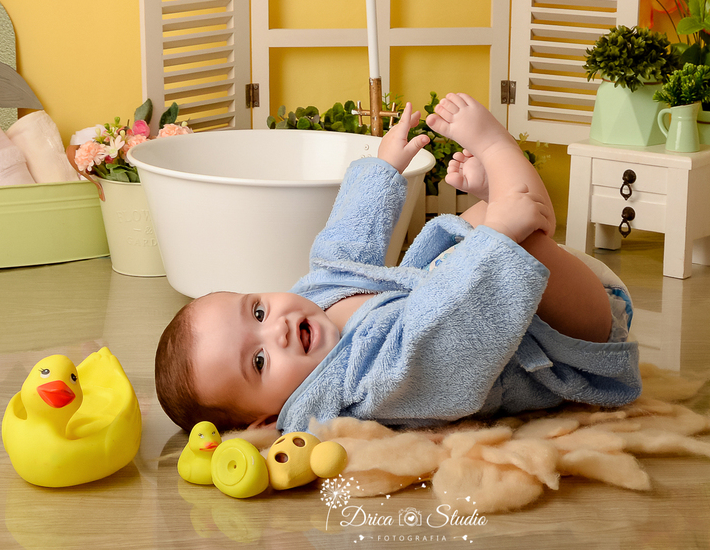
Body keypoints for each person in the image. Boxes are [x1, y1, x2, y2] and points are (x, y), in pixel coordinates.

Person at [155, 93, 640, 434]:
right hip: (569, 336)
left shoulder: (317, 298)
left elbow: (340, 248)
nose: (276, 330)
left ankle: (504, 210)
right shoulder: (364, 385)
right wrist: (500, 237)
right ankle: (498, 151)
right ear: (265, 419)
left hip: (520, 300)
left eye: (257, 312)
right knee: (517, 239)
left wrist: (383, 169)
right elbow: (440, 337)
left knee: (473, 226)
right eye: (258, 362)